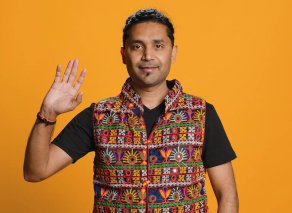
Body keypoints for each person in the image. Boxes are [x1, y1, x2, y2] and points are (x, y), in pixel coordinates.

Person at [23, 8, 238, 213]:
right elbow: (36, 171)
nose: (148, 55)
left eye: (158, 45)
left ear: (173, 52)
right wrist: (48, 113)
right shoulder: (99, 116)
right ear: (123, 54)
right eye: (137, 46)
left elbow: (227, 194)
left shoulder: (201, 114)